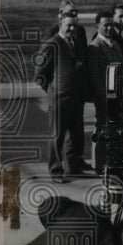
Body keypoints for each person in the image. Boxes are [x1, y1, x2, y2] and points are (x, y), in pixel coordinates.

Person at [34, 11, 88, 183]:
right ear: (60, 25)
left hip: (76, 98)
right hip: (59, 99)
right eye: (68, 25)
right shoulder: (52, 44)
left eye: (74, 25)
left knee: (76, 135)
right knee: (57, 136)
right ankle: (56, 171)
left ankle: (73, 168)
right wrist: (53, 91)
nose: (72, 28)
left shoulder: (77, 42)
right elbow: (40, 75)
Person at [86, 10, 123, 173]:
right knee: (102, 129)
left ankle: (112, 161)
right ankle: (100, 165)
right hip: (105, 98)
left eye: (111, 25)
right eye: (105, 25)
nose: (109, 28)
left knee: (114, 129)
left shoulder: (114, 44)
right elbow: (94, 76)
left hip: (118, 96)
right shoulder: (95, 47)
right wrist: (104, 97)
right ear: (97, 26)